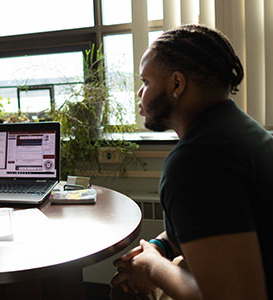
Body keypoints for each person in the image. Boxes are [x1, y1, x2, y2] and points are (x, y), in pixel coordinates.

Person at [110, 24, 271, 300]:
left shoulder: (197, 161)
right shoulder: (239, 133)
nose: (140, 93)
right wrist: (160, 247)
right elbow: (217, 223)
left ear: (176, 84)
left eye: (146, 81)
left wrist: (151, 266)